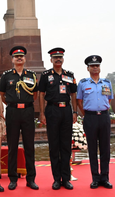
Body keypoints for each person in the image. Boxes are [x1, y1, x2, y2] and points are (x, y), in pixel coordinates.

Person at [0, 46, 39, 190]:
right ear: (13, 60)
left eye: (21, 56)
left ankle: (31, 179)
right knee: (12, 147)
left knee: (29, 146)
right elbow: (1, 94)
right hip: (13, 112)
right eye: (16, 57)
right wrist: (13, 104)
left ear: (25, 58)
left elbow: (35, 94)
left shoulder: (31, 75)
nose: (19, 58)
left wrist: (24, 103)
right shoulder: (7, 75)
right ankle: (13, 178)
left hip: (28, 112)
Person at [38, 47, 77, 190]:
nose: (58, 59)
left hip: (66, 110)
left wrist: (75, 112)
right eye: (55, 58)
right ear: (51, 60)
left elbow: (73, 94)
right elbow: (41, 94)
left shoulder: (69, 75)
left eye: (60, 57)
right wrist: (42, 113)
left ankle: (66, 179)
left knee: (66, 146)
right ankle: (56, 179)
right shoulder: (46, 75)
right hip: (52, 110)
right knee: (54, 146)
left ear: (63, 59)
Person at [76, 55, 114, 189]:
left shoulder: (107, 83)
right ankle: (95, 178)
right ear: (88, 68)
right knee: (92, 149)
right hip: (90, 117)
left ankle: (105, 177)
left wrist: (102, 110)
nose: (95, 68)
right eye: (92, 66)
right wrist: (87, 113)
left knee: (105, 149)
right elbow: (79, 101)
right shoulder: (83, 83)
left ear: (100, 67)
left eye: (97, 65)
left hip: (104, 117)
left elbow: (109, 100)